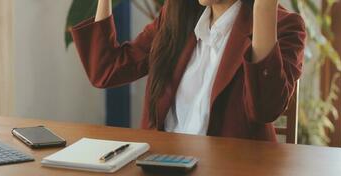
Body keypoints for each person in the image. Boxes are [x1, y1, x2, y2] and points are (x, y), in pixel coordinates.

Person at [71, 0, 306, 141]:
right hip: (162, 171)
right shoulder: (176, 15)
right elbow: (107, 69)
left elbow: (264, 109)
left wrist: (264, 8)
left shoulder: (283, 25)